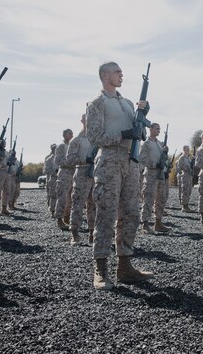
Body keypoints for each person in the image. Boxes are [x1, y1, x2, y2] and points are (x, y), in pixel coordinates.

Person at [87, 61, 153, 289]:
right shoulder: (97, 103)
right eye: (117, 72)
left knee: (131, 213)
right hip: (109, 160)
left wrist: (142, 116)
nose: (121, 74)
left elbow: (140, 133)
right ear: (105, 76)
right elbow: (95, 136)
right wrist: (125, 132)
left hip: (130, 160)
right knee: (106, 212)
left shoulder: (127, 103)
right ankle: (101, 269)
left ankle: (125, 266)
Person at [67, 115, 96, 245]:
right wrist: (85, 160)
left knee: (94, 205)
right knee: (78, 204)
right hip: (82, 173)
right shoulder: (76, 140)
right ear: (82, 121)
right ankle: (75, 233)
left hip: (96, 174)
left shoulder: (96, 138)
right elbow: (70, 159)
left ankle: (92, 232)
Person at [138, 122, 170, 233]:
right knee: (149, 198)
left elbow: (163, 159)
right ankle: (145, 224)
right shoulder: (146, 143)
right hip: (151, 174)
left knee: (161, 198)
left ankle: (158, 222)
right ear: (150, 129)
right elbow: (142, 159)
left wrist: (165, 152)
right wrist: (154, 165)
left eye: (159, 129)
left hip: (161, 174)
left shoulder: (160, 144)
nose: (158, 131)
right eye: (157, 128)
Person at [54, 129, 74, 230]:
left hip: (73, 173)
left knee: (70, 198)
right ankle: (59, 219)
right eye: (69, 133)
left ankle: (67, 217)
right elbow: (57, 160)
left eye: (72, 133)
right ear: (64, 135)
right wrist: (70, 163)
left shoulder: (73, 145)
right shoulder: (61, 146)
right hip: (64, 173)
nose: (71, 135)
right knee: (62, 197)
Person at [175, 145, 194, 212]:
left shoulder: (188, 158)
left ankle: (186, 205)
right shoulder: (182, 158)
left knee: (189, 191)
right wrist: (186, 169)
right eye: (187, 149)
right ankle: (184, 206)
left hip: (189, 175)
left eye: (189, 149)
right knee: (184, 191)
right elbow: (179, 168)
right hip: (184, 175)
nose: (188, 151)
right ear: (184, 150)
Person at [43, 143, 58, 215]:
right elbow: (45, 170)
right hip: (52, 178)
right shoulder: (49, 158)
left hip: (60, 179)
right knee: (52, 195)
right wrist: (54, 172)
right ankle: (52, 210)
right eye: (54, 148)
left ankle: (58, 210)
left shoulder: (60, 157)